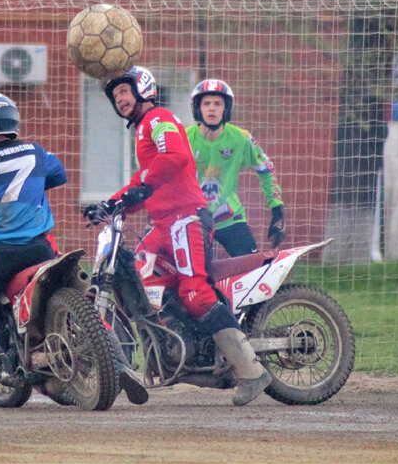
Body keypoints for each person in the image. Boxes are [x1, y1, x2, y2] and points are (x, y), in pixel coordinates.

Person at [0, 93, 148, 407]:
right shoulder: (35, 152)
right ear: (12, 121)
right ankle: (119, 363)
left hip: (0, 255)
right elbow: (59, 174)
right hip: (43, 249)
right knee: (85, 298)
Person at [100, 66, 271, 406]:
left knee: (195, 292)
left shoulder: (158, 119)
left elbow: (175, 157)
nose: (119, 98)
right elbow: (144, 183)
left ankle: (251, 371)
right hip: (163, 223)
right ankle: (170, 349)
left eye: (124, 91)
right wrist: (111, 204)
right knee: (138, 277)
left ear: (143, 89)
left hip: (186, 218)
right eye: (115, 94)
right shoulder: (140, 132)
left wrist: (137, 189)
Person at [186, 79, 285, 257]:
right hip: (193, 219)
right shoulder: (183, 138)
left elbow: (266, 168)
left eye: (218, 103)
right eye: (206, 103)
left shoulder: (241, 138)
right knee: (198, 273)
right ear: (197, 108)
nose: (211, 108)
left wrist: (276, 209)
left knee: (253, 267)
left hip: (228, 215)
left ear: (227, 109)